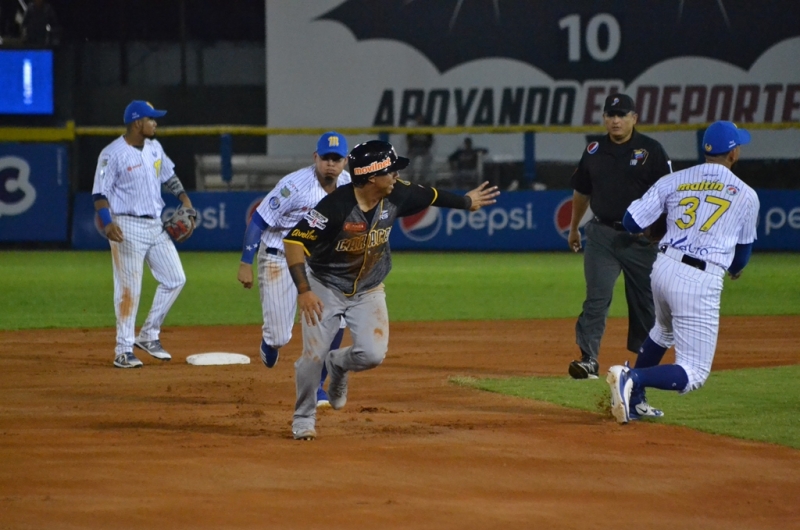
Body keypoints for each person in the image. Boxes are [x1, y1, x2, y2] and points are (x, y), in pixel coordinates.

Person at [283, 140, 500, 440]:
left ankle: (339, 364)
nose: (396, 176)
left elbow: (432, 195)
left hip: (370, 287)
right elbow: (294, 241)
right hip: (325, 286)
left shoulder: (398, 193)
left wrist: (466, 202)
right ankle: (304, 418)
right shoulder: (334, 207)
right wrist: (304, 290)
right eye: (391, 171)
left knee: (372, 355)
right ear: (372, 177)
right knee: (312, 356)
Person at [607, 121, 759, 423]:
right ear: (733, 153)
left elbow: (630, 222)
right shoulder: (745, 194)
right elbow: (741, 257)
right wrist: (735, 269)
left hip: (663, 266)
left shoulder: (675, 180)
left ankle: (635, 401)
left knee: (663, 331)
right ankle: (631, 378)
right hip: (699, 278)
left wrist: (659, 226)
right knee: (695, 372)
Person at [566, 93, 672, 408]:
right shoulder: (594, 151)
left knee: (645, 304)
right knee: (596, 297)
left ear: (634, 118)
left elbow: (669, 195)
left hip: (641, 240)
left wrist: (666, 234)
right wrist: (573, 228)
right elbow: (582, 191)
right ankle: (588, 359)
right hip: (601, 235)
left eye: (622, 114)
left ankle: (641, 371)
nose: (615, 120)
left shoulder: (651, 150)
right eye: (611, 114)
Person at [237, 131, 351, 407]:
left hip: (320, 262)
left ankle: (318, 387)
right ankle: (270, 342)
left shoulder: (349, 184)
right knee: (280, 335)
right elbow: (259, 220)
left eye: (337, 159)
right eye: (326, 158)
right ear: (316, 158)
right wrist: (245, 262)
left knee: (337, 320)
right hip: (279, 257)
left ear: (345, 162)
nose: (331, 164)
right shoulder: (293, 186)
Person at [92, 100, 195, 368]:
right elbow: (99, 193)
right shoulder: (112, 153)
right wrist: (107, 222)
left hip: (155, 225)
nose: (156, 123)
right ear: (138, 123)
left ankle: (149, 335)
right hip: (126, 226)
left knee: (175, 278)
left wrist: (185, 199)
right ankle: (123, 349)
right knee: (129, 289)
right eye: (152, 119)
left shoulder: (154, 147)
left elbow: (169, 177)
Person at [405, 113, 434, 185]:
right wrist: (410, 147)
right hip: (414, 148)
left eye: (421, 119)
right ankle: (411, 177)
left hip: (423, 148)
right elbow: (408, 139)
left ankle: (422, 177)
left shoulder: (427, 128)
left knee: (428, 158)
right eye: (418, 119)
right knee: (409, 159)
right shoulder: (413, 128)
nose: (419, 120)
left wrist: (426, 146)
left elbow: (430, 140)